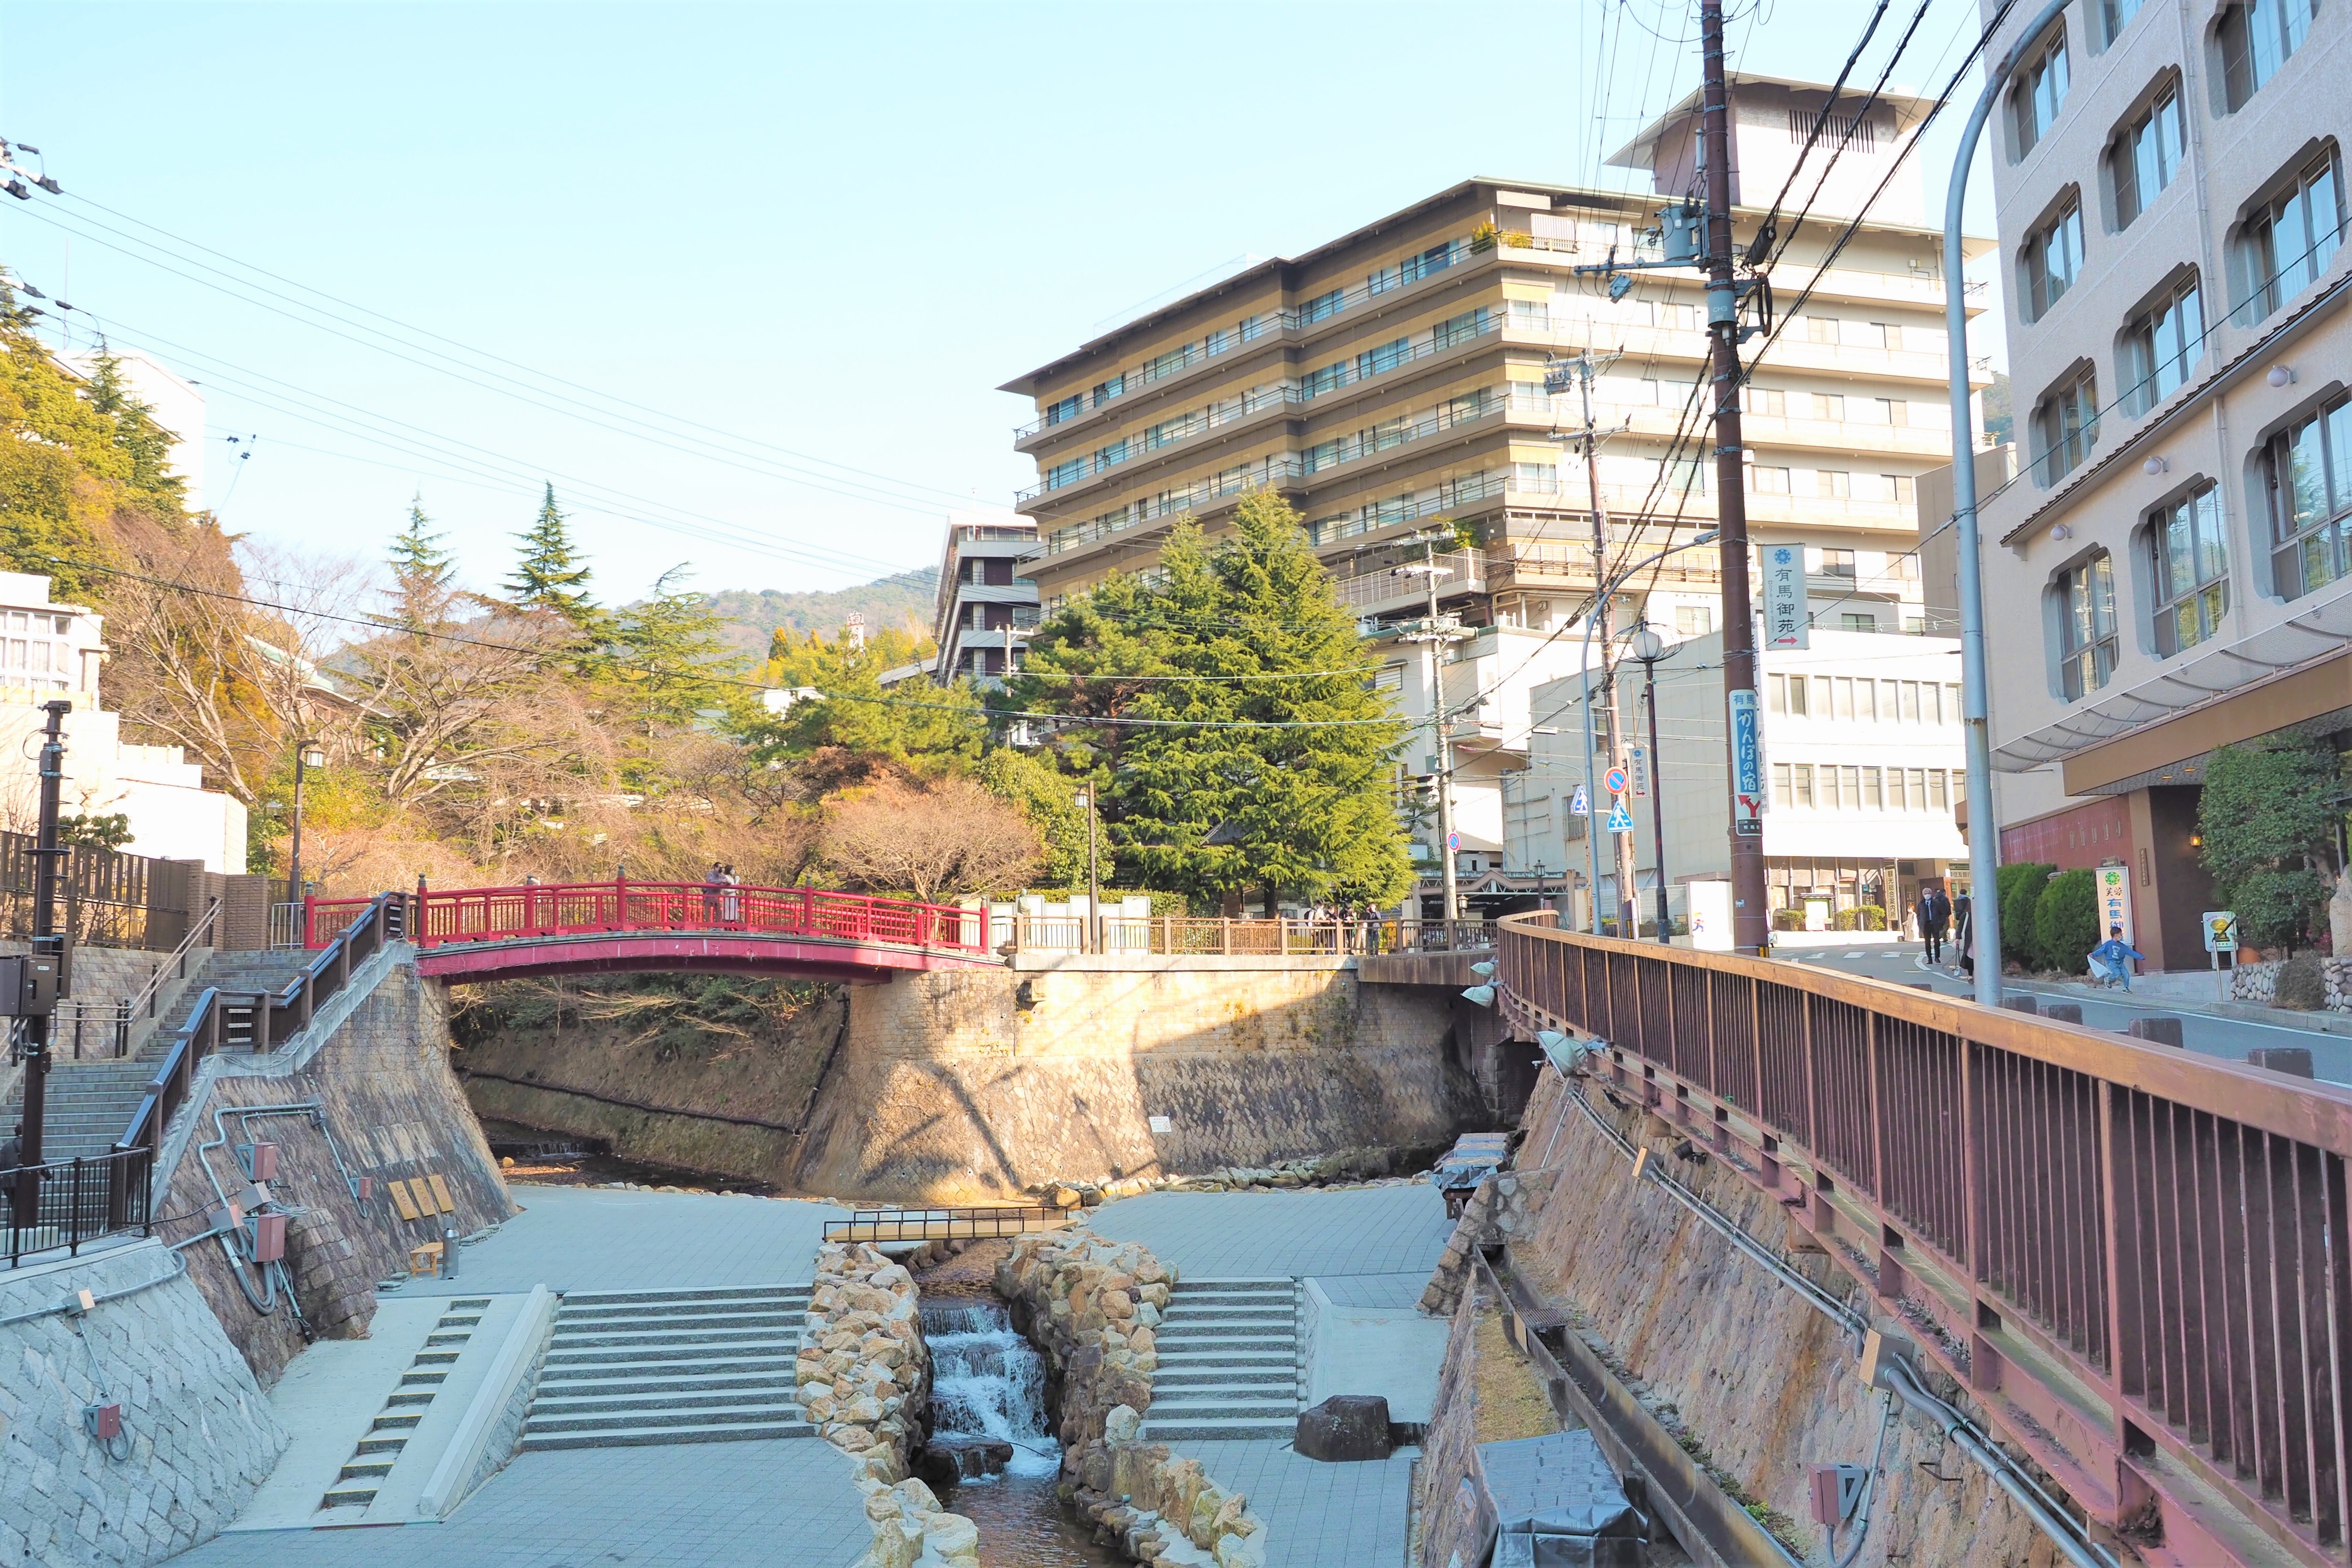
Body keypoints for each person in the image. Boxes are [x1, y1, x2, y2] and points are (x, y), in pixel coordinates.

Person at [2088, 925, 2146, 990]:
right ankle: (2108, 979)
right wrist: (2093, 954)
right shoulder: (2108, 944)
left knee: (2126, 975)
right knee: (2117, 974)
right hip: (2112, 962)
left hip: (2120, 963)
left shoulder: (2122, 946)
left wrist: (2140, 957)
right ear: (2116, 935)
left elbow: (2130, 952)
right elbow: (2101, 951)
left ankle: (2126, 988)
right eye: (2120, 934)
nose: (2121, 936)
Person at [1953, 891, 1974, 980]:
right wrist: (1958, 938)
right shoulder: (1966, 915)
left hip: (1979, 940)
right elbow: (1960, 927)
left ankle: (1974, 975)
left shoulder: (1982, 915)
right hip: (1969, 940)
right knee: (1970, 957)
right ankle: (1970, 975)